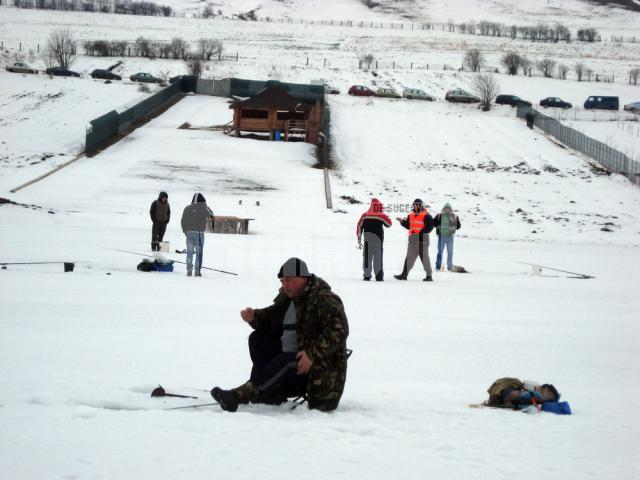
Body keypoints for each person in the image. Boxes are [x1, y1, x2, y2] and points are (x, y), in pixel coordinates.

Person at [211, 257, 350, 413]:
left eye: (288, 280)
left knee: (286, 361)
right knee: (258, 339)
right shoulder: (288, 299)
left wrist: (312, 354)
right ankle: (267, 392)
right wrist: (254, 317)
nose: (285, 285)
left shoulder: (325, 299)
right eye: (282, 281)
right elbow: (272, 317)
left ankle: (237, 396)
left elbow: (339, 331)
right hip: (293, 368)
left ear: (303, 278)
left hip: (319, 373)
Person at [394, 198, 435, 281]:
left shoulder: (426, 215)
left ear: (421, 205)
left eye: (418, 204)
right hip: (412, 240)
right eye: (415, 204)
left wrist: (420, 233)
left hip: (422, 240)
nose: (416, 206)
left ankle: (429, 276)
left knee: (425, 258)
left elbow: (430, 227)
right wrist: (402, 222)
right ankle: (404, 275)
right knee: (409, 257)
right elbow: (409, 226)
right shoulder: (411, 215)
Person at [356, 198, 392, 281]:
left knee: (367, 258)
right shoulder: (381, 215)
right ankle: (379, 276)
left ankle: (367, 275)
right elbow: (389, 224)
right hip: (378, 241)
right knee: (378, 258)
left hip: (367, 240)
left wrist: (359, 237)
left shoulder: (365, 215)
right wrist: (387, 217)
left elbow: (359, 226)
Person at [180, 193, 213, 277]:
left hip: (189, 233)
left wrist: (185, 232)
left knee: (189, 253)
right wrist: (207, 207)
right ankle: (197, 271)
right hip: (199, 234)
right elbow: (211, 216)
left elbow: (182, 221)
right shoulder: (203, 209)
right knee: (199, 254)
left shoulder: (187, 208)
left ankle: (189, 270)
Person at [485, 377, 560, 410]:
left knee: (516, 395)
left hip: (506, 391)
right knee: (516, 395)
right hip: (507, 391)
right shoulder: (533, 394)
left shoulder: (534, 394)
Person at [433, 202, 462, 272]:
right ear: (444, 209)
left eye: (448, 208)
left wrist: (453, 228)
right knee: (440, 252)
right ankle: (438, 267)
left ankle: (450, 267)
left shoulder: (454, 216)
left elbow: (458, 225)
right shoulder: (439, 216)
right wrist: (437, 226)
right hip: (441, 236)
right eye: (446, 208)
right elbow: (433, 222)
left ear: (450, 209)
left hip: (450, 237)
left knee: (450, 252)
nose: (447, 210)